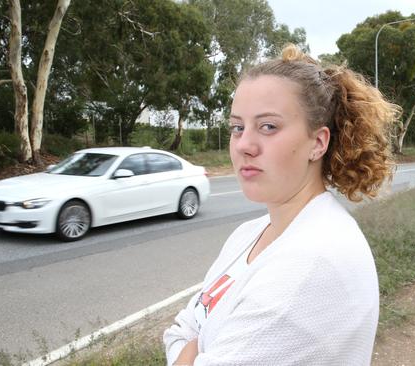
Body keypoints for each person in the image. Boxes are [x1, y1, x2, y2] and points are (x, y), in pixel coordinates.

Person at [163, 44, 400, 366]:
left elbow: (190, 335)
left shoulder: (312, 262)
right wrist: (194, 351)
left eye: (268, 127)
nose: (244, 145)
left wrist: (195, 347)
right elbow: (178, 330)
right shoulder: (251, 233)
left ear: (318, 143)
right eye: (237, 127)